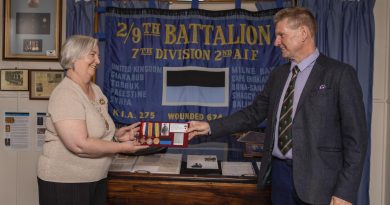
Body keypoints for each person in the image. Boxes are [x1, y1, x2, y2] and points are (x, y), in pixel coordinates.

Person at [187, 7, 368, 205]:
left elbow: (356, 140)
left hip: (320, 183)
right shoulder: (279, 75)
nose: (276, 42)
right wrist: (210, 126)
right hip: (279, 177)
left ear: (303, 33)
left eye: (281, 35)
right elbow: (254, 113)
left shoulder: (340, 74)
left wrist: (345, 192)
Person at [37, 35, 149, 205]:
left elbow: (98, 133)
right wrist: (121, 147)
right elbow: (79, 145)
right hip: (66, 182)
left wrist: (117, 136)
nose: (98, 60)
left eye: (98, 55)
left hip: (96, 178)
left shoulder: (95, 90)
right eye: (92, 55)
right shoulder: (66, 94)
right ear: (74, 57)